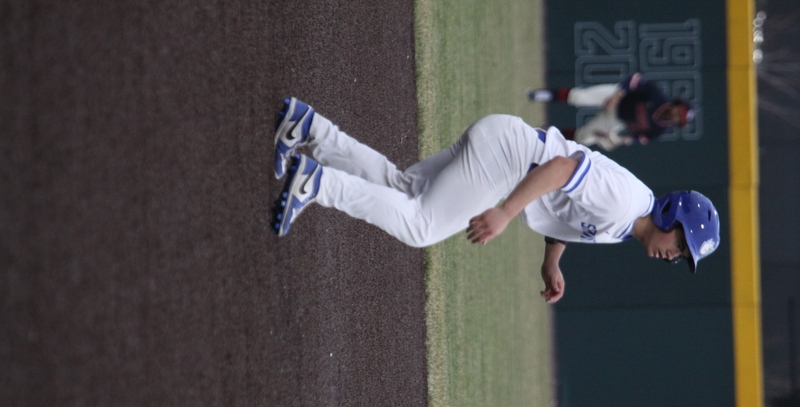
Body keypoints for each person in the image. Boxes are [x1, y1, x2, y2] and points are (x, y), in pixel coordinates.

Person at [271, 97, 719, 303]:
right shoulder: (626, 205)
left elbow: (565, 196)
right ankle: (315, 184)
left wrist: (552, 260)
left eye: (682, 256)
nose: (674, 256)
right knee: (420, 225)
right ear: (672, 217)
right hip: (508, 159)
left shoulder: (628, 222)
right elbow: (561, 170)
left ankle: (308, 129)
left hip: (506, 147)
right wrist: (505, 211)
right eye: (681, 245)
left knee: (404, 188)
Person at [527, 73, 694, 151]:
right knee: (578, 97)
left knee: (582, 138)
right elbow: (635, 79)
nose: (676, 116)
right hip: (617, 97)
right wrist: (616, 96)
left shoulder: (660, 129)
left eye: (679, 119)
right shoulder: (657, 95)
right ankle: (542, 95)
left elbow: (639, 138)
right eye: (678, 112)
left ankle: (544, 134)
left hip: (617, 120)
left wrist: (618, 139)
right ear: (676, 104)